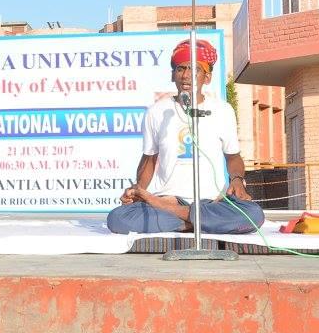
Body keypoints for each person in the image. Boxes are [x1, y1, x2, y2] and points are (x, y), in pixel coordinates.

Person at [106, 39, 264, 235]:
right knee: (118, 219)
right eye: (180, 69)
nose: (186, 75)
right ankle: (200, 222)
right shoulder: (157, 111)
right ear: (173, 75)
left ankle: (185, 221)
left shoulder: (222, 110)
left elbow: (233, 158)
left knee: (254, 215)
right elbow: (149, 159)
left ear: (207, 77)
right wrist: (138, 190)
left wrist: (238, 180)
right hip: (168, 199)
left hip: (212, 201)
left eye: (194, 69)